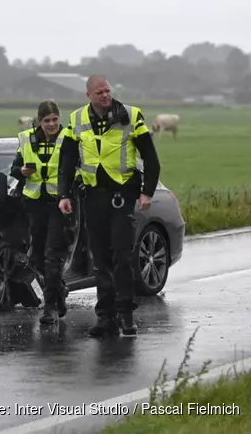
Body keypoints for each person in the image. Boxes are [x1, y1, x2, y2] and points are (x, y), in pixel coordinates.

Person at [57, 75, 161, 337]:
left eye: (108, 91)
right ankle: (105, 317)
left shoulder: (130, 115)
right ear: (88, 95)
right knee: (100, 259)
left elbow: (151, 158)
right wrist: (64, 194)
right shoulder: (77, 119)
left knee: (122, 256)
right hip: (92, 196)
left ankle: (126, 314)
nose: (105, 96)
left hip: (122, 195)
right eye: (99, 92)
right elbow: (67, 159)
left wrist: (146, 192)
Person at [10, 100, 71, 325]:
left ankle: (50, 307)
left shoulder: (69, 138)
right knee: (36, 259)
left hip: (61, 205)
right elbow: (14, 169)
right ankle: (60, 291)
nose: (52, 124)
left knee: (52, 257)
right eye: (47, 121)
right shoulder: (27, 139)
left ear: (60, 118)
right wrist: (22, 171)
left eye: (55, 119)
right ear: (39, 121)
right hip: (35, 205)